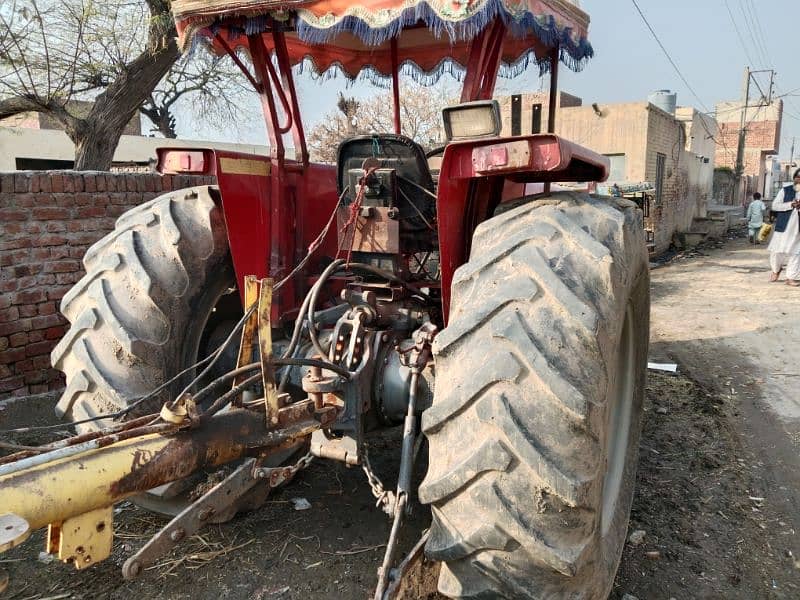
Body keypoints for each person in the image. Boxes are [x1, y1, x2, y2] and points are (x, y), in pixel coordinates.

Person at [768, 169, 800, 285]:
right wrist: (790, 204)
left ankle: (791, 277)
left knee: (796, 252)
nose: (799, 180)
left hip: (798, 228)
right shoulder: (785, 190)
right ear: (794, 178)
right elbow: (775, 206)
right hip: (784, 226)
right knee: (777, 251)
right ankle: (776, 270)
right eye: (797, 177)